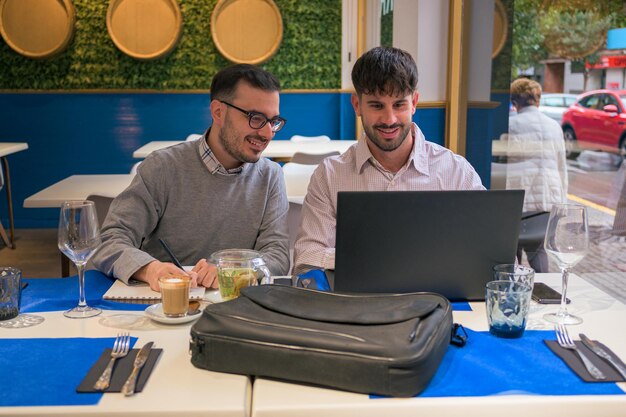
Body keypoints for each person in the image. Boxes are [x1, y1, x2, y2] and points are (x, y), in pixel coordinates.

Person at [92, 64, 290, 291]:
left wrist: (236, 271)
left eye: (273, 121)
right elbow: (111, 239)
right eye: (255, 118)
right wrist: (150, 269)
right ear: (218, 112)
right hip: (164, 306)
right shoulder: (162, 167)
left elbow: (277, 254)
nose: (267, 133)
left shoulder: (270, 175)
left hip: (234, 307)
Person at [292, 46, 484, 275]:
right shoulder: (330, 175)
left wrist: (357, 255)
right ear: (357, 105)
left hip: (437, 302)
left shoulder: (456, 171)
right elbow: (306, 256)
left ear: (414, 102)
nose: (389, 119)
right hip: (356, 307)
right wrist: (387, 255)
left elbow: (487, 248)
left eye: (399, 104)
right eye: (376, 105)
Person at [506, 78, 568, 271]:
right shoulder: (553, 126)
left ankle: (512, 293)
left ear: (515, 102)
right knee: (538, 249)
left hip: (518, 199)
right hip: (548, 200)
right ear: (537, 100)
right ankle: (543, 293)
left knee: (509, 251)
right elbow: (561, 166)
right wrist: (562, 203)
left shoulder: (511, 125)